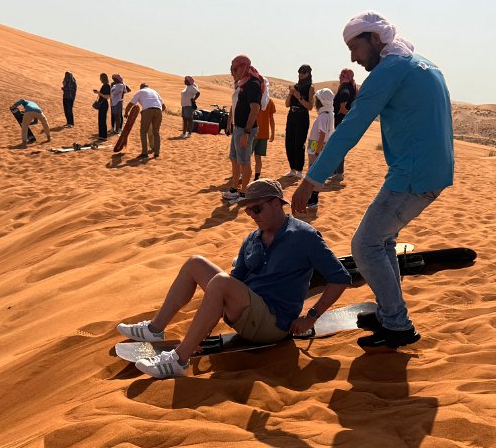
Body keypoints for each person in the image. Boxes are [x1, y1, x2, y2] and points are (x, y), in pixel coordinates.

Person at [291, 11, 454, 350]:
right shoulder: (421, 63)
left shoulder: (389, 70)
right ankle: (388, 312)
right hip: (428, 170)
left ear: (375, 39)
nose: (353, 57)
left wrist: (311, 181)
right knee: (382, 241)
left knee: (365, 245)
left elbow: (350, 128)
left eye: (355, 47)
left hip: (413, 174)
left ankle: (397, 325)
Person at [116, 179, 351, 379]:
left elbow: (340, 278)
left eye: (256, 209)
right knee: (195, 263)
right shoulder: (253, 238)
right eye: (248, 211)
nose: (252, 216)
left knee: (221, 282)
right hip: (245, 313)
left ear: (276, 203)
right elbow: (233, 281)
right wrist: (204, 329)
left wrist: (311, 317)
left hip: (274, 323)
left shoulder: (304, 236)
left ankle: (179, 360)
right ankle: (155, 329)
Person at [223, 55, 266, 203]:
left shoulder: (253, 84)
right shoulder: (242, 83)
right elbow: (235, 106)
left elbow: (255, 109)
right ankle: (235, 189)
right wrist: (231, 124)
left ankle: (243, 193)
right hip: (238, 128)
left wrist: (246, 132)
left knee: (244, 161)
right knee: (234, 159)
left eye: (235, 69)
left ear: (244, 67)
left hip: (245, 130)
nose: (232, 72)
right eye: (231, 69)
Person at [303, 88, 336, 211]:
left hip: (316, 148)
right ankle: (312, 197)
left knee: (313, 172)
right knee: (315, 172)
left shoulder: (323, 116)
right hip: (320, 147)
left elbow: (322, 134)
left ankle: (313, 198)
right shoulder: (330, 114)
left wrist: (317, 152)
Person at [283, 64, 315, 178]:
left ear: (308, 74)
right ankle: (292, 169)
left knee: (299, 143)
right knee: (289, 143)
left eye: (304, 72)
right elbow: (287, 104)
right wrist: (291, 93)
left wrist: (298, 97)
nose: (301, 74)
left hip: (302, 116)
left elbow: (310, 106)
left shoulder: (310, 88)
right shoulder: (295, 87)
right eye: (299, 72)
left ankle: (299, 170)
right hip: (292, 115)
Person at [331, 68, 358, 180]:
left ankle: (339, 173)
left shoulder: (345, 88)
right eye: (340, 75)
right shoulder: (352, 87)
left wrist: (347, 114)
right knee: (338, 147)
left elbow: (343, 107)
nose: (340, 77)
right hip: (344, 122)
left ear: (347, 78)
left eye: (342, 75)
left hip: (340, 122)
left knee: (338, 147)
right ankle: (336, 172)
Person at [126, 83, 165, 158]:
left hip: (147, 110)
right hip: (158, 110)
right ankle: (157, 152)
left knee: (143, 131)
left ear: (141, 87)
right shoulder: (155, 92)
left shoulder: (140, 92)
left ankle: (144, 152)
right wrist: (157, 114)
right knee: (156, 132)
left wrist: (126, 113)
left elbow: (131, 104)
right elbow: (164, 107)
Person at [253, 96, 276, 181]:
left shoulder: (254, 98)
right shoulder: (269, 100)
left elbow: (271, 118)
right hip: (263, 133)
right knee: (258, 157)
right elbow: (271, 119)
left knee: (247, 156)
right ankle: (256, 176)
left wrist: (273, 133)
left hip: (253, 133)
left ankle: (249, 175)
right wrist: (272, 133)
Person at [94, 73, 110, 139]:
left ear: (103, 78)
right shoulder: (104, 86)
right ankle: (101, 136)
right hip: (102, 104)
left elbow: (107, 97)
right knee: (100, 120)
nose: (100, 79)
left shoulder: (107, 86)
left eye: (100, 77)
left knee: (102, 120)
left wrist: (98, 93)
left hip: (104, 104)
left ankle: (104, 136)